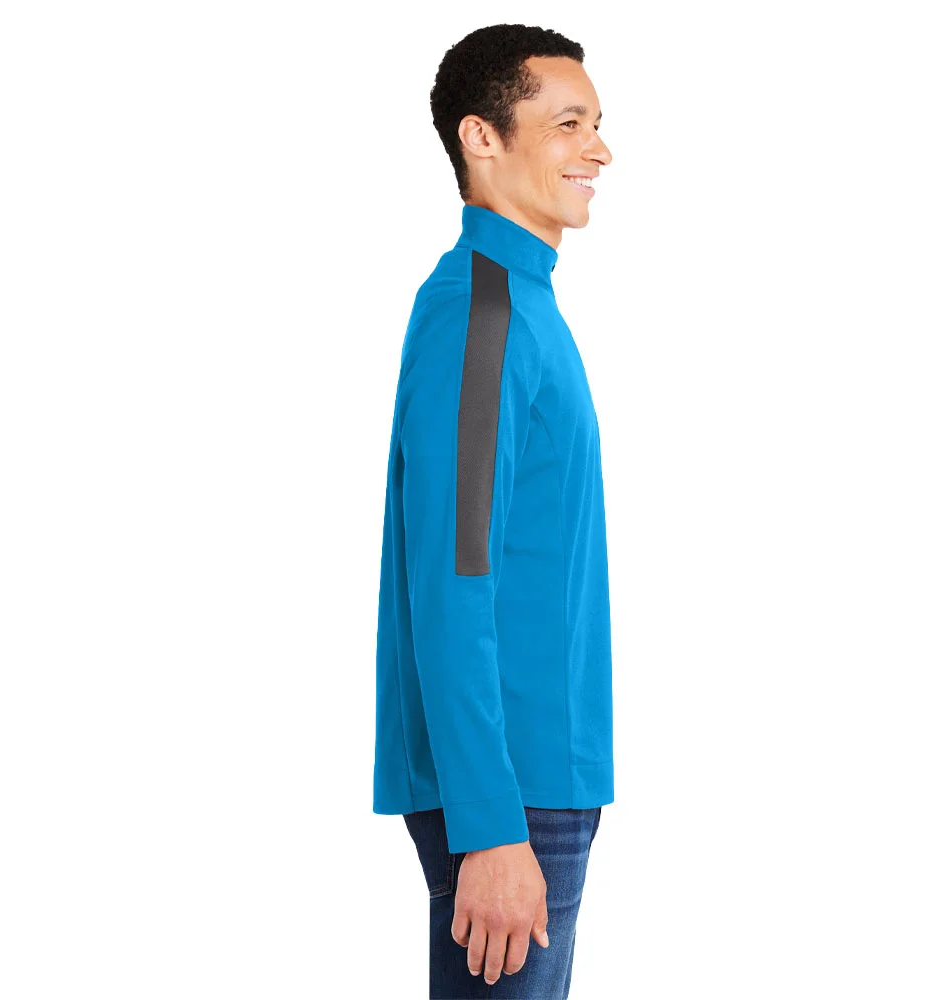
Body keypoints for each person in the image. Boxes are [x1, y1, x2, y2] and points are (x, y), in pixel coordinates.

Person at [372, 23, 614, 999]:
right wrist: (489, 823)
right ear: (481, 137)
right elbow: (452, 577)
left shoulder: (522, 302)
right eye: (568, 125)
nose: (599, 150)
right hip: (510, 794)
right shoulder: (483, 314)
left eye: (596, 124)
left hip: (538, 782)